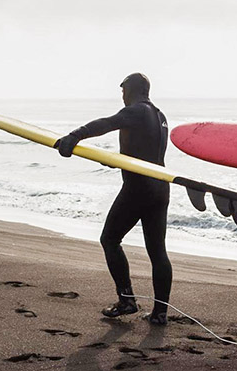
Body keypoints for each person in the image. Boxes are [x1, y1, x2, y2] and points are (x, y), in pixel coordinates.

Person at [54, 73, 172, 326]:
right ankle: (160, 312)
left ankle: (127, 299)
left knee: (109, 239)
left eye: (123, 91)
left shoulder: (137, 110)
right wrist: (117, 160)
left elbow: (107, 123)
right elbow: (146, 151)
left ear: (131, 90)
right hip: (160, 188)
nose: (122, 96)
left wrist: (75, 136)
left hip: (138, 187)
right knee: (157, 250)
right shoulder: (160, 117)